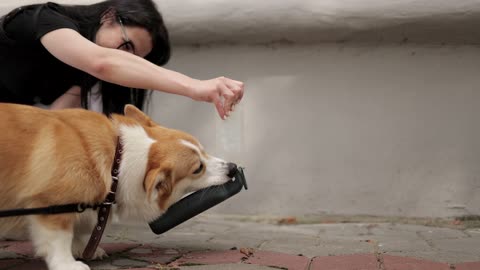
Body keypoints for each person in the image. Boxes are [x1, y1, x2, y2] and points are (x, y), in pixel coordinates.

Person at [0, 0, 243, 119]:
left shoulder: (82, 71)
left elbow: (55, 120)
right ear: (109, 16)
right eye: (126, 45)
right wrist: (194, 87)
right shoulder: (45, 20)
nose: (125, 60)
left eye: (134, 57)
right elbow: (102, 62)